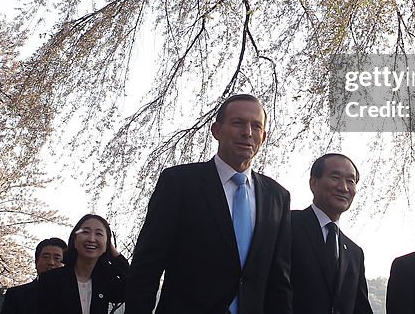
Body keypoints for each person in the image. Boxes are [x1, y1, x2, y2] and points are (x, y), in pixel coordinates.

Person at [125, 94, 292, 314]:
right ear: (216, 130)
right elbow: (147, 264)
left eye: (256, 126)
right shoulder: (179, 183)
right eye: (238, 123)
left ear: (264, 136)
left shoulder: (277, 197)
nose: (247, 132)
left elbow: (279, 282)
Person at [290, 154, 374, 314]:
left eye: (351, 181)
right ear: (313, 183)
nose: (343, 187)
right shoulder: (287, 225)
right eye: (335, 177)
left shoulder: (354, 253)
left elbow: (360, 308)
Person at [37, 215, 128, 314]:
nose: (91, 239)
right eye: (85, 232)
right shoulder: (51, 279)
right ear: (75, 240)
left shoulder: (106, 280)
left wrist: (115, 254)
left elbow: (133, 287)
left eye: (99, 234)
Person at [1, 238, 67, 314]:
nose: (51, 262)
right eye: (46, 257)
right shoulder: (16, 295)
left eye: (57, 258)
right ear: (36, 262)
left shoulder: (74, 295)